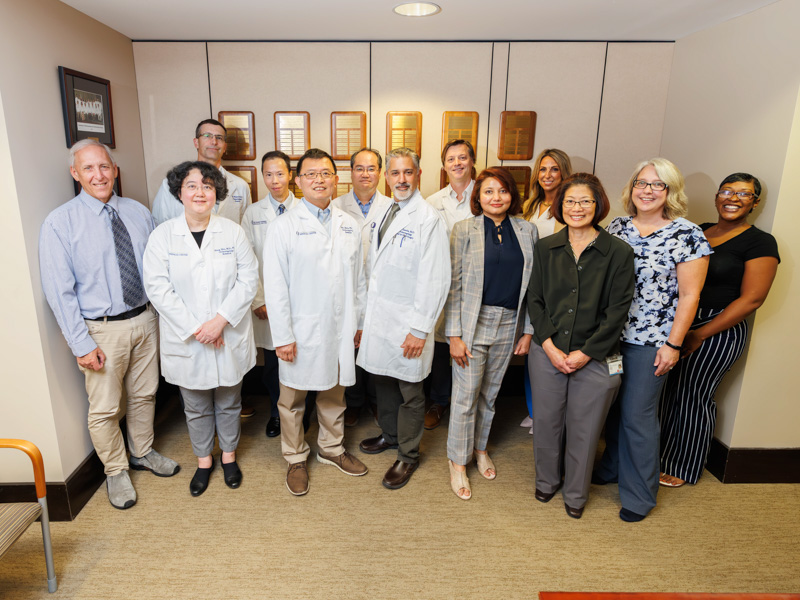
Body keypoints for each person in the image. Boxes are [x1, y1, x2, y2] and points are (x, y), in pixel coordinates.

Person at [39, 140, 179, 510]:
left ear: (115, 169)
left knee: (145, 393)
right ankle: (115, 470)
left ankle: (142, 452)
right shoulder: (60, 222)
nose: (98, 175)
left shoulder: (137, 212)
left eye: (104, 167)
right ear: (75, 174)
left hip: (145, 319)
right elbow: (59, 291)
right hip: (100, 329)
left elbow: (155, 268)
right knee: (104, 407)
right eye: (88, 169)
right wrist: (81, 343)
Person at [594, 158, 712, 522]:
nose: (647, 190)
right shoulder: (617, 227)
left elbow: (690, 296)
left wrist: (673, 345)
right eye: (641, 183)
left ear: (670, 192)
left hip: (653, 342)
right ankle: (612, 466)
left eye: (657, 185)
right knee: (613, 409)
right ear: (631, 189)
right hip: (612, 337)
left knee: (638, 416)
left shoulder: (688, 234)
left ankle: (639, 496)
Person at [143, 161, 258, 497]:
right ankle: (204, 460)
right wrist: (198, 328)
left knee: (229, 401)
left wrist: (220, 320)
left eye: (208, 186)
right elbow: (157, 288)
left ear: (217, 194)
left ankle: (229, 457)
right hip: (188, 338)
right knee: (194, 405)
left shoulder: (233, 232)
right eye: (192, 186)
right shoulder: (162, 236)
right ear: (179, 192)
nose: (200, 192)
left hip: (228, 333)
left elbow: (249, 280)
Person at [659, 173, 780, 487]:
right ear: (716, 196)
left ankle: (683, 466)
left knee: (693, 394)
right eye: (727, 191)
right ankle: (655, 455)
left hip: (718, 329)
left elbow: (752, 298)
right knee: (664, 392)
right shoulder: (698, 230)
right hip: (679, 321)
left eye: (744, 194)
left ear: (754, 202)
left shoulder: (760, 241)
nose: (733, 198)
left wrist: (700, 333)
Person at [527, 173, 635, 518]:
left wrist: (586, 352)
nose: (577, 208)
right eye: (570, 201)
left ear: (598, 205)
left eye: (585, 201)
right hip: (548, 352)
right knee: (546, 421)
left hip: (598, 356)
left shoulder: (618, 252)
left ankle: (575, 494)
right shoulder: (546, 247)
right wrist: (549, 346)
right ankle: (546, 481)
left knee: (585, 429)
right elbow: (535, 299)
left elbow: (618, 310)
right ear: (560, 205)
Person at [263, 148, 369, 496]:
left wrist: (358, 323)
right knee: (292, 400)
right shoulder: (283, 227)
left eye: (325, 173)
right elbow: (275, 287)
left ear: (336, 179)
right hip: (300, 330)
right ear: (298, 181)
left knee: (334, 394)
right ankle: (295, 457)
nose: (319, 180)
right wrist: (282, 337)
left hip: (339, 328)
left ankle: (331, 448)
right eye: (310, 174)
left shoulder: (349, 225)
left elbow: (360, 279)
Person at [358, 147, 450, 490]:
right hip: (382, 318)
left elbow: (436, 279)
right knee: (383, 381)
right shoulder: (388, 211)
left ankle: (408, 455)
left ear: (419, 175)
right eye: (395, 173)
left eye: (407, 173)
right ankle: (391, 436)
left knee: (411, 392)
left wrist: (420, 329)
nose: (401, 179)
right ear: (387, 177)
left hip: (409, 323)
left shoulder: (428, 218)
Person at [445, 167, 537, 500]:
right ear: (478, 196)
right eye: (488, 192)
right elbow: (453, 285)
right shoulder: (464, 229)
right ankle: (458, 462)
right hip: (472, 323)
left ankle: (480, 448)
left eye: (502, 191)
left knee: (491, 394)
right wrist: (453, 334)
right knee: (466, 396)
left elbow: (533, 288)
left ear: (512, 195)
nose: (495, 197)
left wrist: (527, 331)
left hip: (509, 322)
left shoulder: (528, 231)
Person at [241, 150, 303, 436]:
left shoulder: (305, 209)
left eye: (280, 173)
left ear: (291, 175)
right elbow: (247, 260)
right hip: (268, 304)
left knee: (304, 360)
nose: (274, 180)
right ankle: (278, 414)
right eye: (268, 174)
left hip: (302, 304)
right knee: (273, 366)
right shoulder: (253, 213)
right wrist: (259, 299)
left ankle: (304, 414)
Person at [332, 148, 392, 427]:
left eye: (371, 168)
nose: (365, 174)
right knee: (351, 351)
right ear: (350, 172)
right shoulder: (335, 206)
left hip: (383, 295)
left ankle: (378, 403)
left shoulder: (394, 207)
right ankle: (353, 403)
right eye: (359, 168)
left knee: (378, 350)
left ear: (380, 172)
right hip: (348, 292)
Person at [423, 139, 477, 430]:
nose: (457, 163)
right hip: (445, 282)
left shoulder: (485, 195)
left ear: (471, 161)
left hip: (478, 283)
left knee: (473, 343)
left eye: (462, 158)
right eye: (451, 159)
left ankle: (467, 403)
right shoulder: (433, 202)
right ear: (444, 166)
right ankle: (439, 400)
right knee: (444, 341)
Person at [520, 148, 573, 432]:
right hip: (529, 285)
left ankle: (548, 415)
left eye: (554, 169)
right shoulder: (530, 206)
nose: (547, 175)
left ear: (564, 173)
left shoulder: (569, 207)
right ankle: (534, 410)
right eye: (542, 169)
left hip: (555, 287)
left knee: (549, 347)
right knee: (532, 351)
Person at [151, 118, 251, 226]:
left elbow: (246, 228)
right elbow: (159, 226)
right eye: (207, 136)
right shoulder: (170, 184)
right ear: (196, 143)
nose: (214, 142)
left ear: (225, 147)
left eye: (219, 137)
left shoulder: (240, 186)